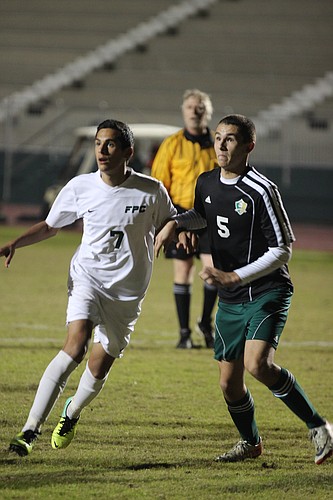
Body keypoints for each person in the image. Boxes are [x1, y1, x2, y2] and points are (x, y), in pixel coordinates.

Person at [154, 114, 333, 465]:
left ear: (248, 146)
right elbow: (202, 214)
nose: (221, 145)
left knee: (258, 365)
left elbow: (283, 249)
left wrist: (235, 275)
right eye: (218, 137)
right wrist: (176, 223)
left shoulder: (262, 190)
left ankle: (320, 427)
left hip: (267, 291)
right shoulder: (205, 182)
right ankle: (250, 443)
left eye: (230, 139)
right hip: (232, 300)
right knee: (228, 384)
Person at [1, 119, 177, 457]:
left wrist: (170, 227)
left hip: (127, 293)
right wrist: (16, 243)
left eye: (110, 144)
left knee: (98, 366)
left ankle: (72, 412)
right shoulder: (80, 186)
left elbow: (172, 217)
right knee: (75, 345)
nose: (101, 150)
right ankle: (29, 430)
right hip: (87, 278)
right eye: (98, 143)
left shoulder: (151, 190)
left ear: (128, 151)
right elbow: (51, 226)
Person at [151, 89, 218, 349]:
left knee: (213, 271)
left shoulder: (217, 143)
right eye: (190, 106)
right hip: (181, 215)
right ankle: (184, 333)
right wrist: (169, 220)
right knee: (183, 270)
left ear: (208, 113)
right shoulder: (172, 144)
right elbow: (159, 185)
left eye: (200, 106)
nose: (195, 111)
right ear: (183, 111)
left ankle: (204, 322)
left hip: (211, 216)